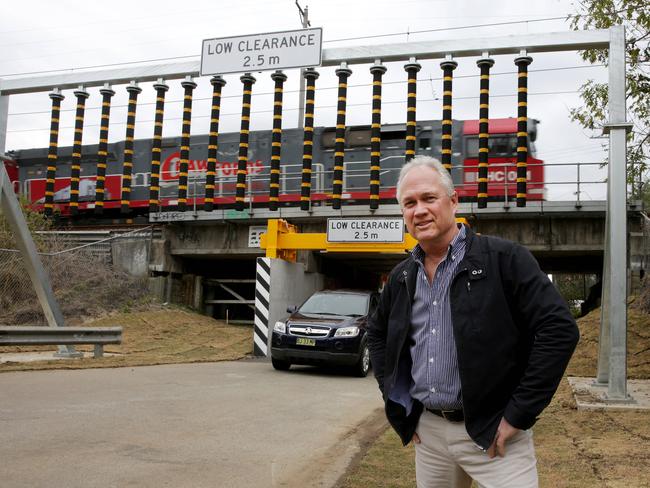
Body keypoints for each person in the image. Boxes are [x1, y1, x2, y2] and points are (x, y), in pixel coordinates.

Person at [367, 156, 579, 487]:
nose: (419, 210)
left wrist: (518, 414)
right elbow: (377, 334)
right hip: (430, 434)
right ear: (403, 214)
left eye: (429, 198)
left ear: (453, 201)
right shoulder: (402, 276)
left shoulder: (504, 259)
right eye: (409, 203)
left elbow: (559, 330)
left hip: (495, 432)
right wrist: (398, 399)